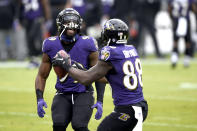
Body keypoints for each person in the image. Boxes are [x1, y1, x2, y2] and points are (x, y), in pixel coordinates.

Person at [52, 19, 148, 131]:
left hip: (128, 110)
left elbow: (86, 79)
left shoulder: (111, 52)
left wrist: (67, 66)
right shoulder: (131, 49)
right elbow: (107, 77)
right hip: (141, 106)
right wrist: (82, 70)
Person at [35, 8, 105, 131]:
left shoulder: (88, 43)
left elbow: (98, 73)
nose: (71, 26)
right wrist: (39, 98)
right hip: (62, 93)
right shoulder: (50, 44)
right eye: (67, 22)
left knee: (79, 126)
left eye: (74, 22)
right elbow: (42, 75)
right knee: (58, 125)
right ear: (60, 24)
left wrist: (100, 100)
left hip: (84, 92)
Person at [18, 0, 52, 68]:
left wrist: (47, 18)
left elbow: (45, 4)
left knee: (34, 38)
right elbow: (21, 6)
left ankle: (38, 57)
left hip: (37, 18)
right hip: (27, 20)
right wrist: (20, 19)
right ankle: (33, 58)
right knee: (29, 39)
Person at [168, 0, 197, 68]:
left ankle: (174, 59)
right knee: (187, 42)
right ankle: (186, 60)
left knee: (175, 41)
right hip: (185, 20)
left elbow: (169, 8)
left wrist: (171, 17)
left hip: (176, 20)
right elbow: (194, 8)